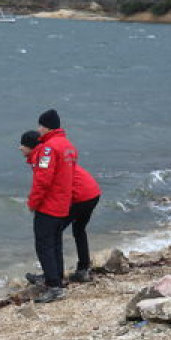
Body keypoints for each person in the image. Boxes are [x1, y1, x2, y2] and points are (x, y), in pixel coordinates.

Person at [20, 130, 101, 284]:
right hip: (92, 192)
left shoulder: (45, 157)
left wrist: (34, 203)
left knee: (50, 236)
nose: (19, 148)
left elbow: (44, 182)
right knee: (77, 230)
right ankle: (82, 268)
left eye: (22, 145)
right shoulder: (52, 153)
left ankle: (53, 277)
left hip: (80, 196)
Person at [25, 109, 78, 303]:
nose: (38, 130)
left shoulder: (48, 148)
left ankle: (54, 285)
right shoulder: (69, 146)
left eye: (40, 126)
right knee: (56, 244)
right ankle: (56, 279)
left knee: (44, 245)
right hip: (63, 204)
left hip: (49, 205)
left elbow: (43, 180)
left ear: (45, 126)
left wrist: (33, 202)